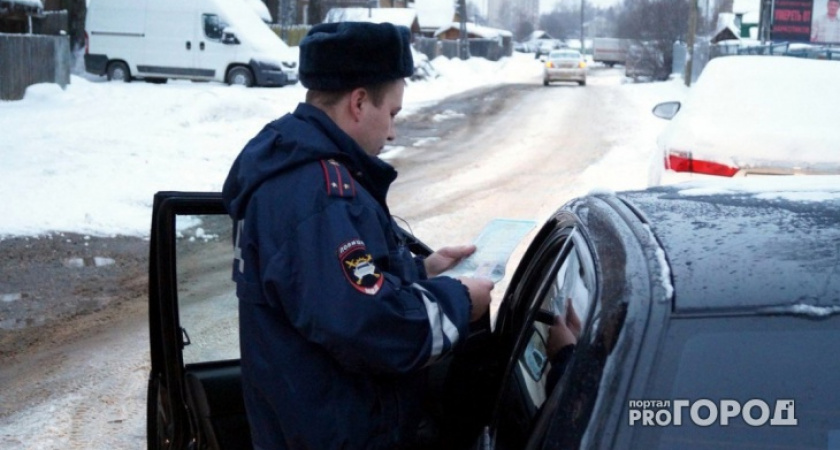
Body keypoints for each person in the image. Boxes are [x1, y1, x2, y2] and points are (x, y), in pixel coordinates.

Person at [221, 21, 495, 450]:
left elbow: (331, 284)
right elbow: (371, 324)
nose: (392, 132)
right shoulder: (317, 194)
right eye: (392, 114)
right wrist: (461, 299)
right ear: (359, 103)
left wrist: (422, 269)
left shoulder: (293, 172)